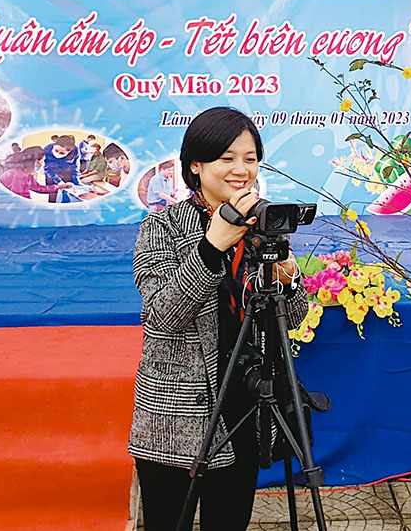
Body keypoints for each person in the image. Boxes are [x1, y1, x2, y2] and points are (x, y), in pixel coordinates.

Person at [129, 107, 308, 531]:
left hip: (242, 406)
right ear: (196, 164)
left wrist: (288, 278)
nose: (241, 170)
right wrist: (212, 247)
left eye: (250, 158)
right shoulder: (163, 226)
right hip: (177, 413)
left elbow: (293, 318)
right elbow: (164, 315)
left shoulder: (260, 226)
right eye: (227, 158)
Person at [0, 147, 71, 198]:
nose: (43, 163)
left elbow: (38, 188)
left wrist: (59, 187)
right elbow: (19, 198)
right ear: (36, 161)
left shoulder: (27, 175)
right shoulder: (17, 175)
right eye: (43, 160)